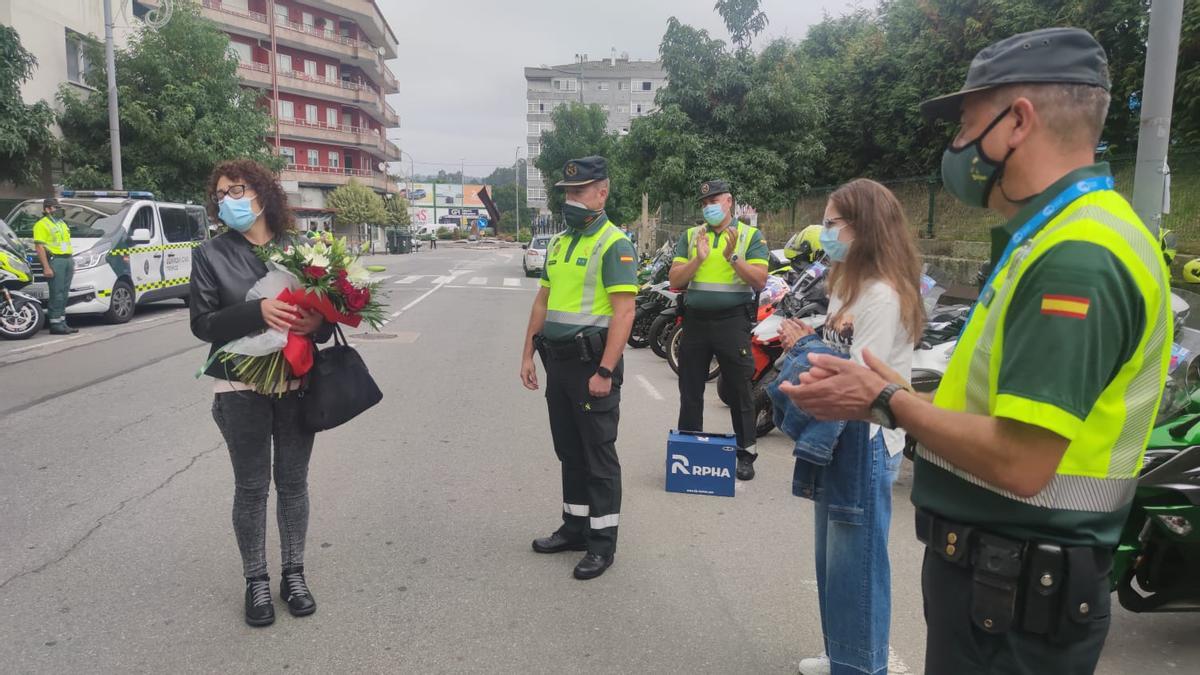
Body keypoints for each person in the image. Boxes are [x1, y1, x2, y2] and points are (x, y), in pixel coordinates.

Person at [782, 28, 1172, 674]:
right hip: (1004, 580)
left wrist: (886, 400)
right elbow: (991, 405)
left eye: (966, 125)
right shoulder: (1054, 237)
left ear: (1017, 121)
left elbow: (1022, 461)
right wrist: (894, 402)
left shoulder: (1077, 257)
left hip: (1017, 591)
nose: (957, 147)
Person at [773, 180, 924, 675]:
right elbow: (838, 348)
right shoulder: (848, 285)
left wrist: (801, 351)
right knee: (832, 560)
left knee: (856, 565)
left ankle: (862, 666)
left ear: (863, 227)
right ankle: (842, 652)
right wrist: (808, 339)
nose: (825, 231)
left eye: (832, 222)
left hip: (865, 438)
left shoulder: (882, 296)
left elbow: (856, 383)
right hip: (841, 435)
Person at [191, 158, 333, 627]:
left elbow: (325, 324)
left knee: (293, 485)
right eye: (222, 193)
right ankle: (255, 580)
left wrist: (319, 322)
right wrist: (259, 311)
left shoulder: (301, 250)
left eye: (238, 189)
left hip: (296, 386)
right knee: (251, 488)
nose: (229, 200)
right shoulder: (210, 254)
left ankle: (294, 573)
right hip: (239, 388)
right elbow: (203, 323)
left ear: (263, 192)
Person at [519, 156, 638, 580]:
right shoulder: (559, 242)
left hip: (593, 367)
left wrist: (605, 371)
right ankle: (575, 528)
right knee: (569, 452)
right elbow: (543, 301)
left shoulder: (614, 244)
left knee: (598, 457)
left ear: (601, 192)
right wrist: (528, 352)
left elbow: (624, 313)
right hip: (559, 366)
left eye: (579, 191)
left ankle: (602, 545)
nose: (570, 199)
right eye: (567, 193)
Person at [668, 180, 769, 480]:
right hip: (696, 322)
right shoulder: (690, 236)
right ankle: (689, 447)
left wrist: (732, 257)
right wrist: (698, 259)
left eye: (714, 200)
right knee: (690, 389)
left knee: (740, 389)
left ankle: (745, 452)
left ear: (729, 202)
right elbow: (675, 279)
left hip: (732, 321)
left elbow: (760, 281)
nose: (708, 206)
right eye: (703, 203)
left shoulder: (750, 235)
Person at [32, 198, 77, 335]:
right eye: (55, 207)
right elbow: (39, 247)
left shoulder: (62, 223)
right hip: (55, 260)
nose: (58, 210)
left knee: (64, 293)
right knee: (56, 293)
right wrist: (46, 267)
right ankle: (55, 323)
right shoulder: (41, 224)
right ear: (47, 209)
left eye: (58, 207)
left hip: (67, 259)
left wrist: (71, 261)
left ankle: (62, 323)